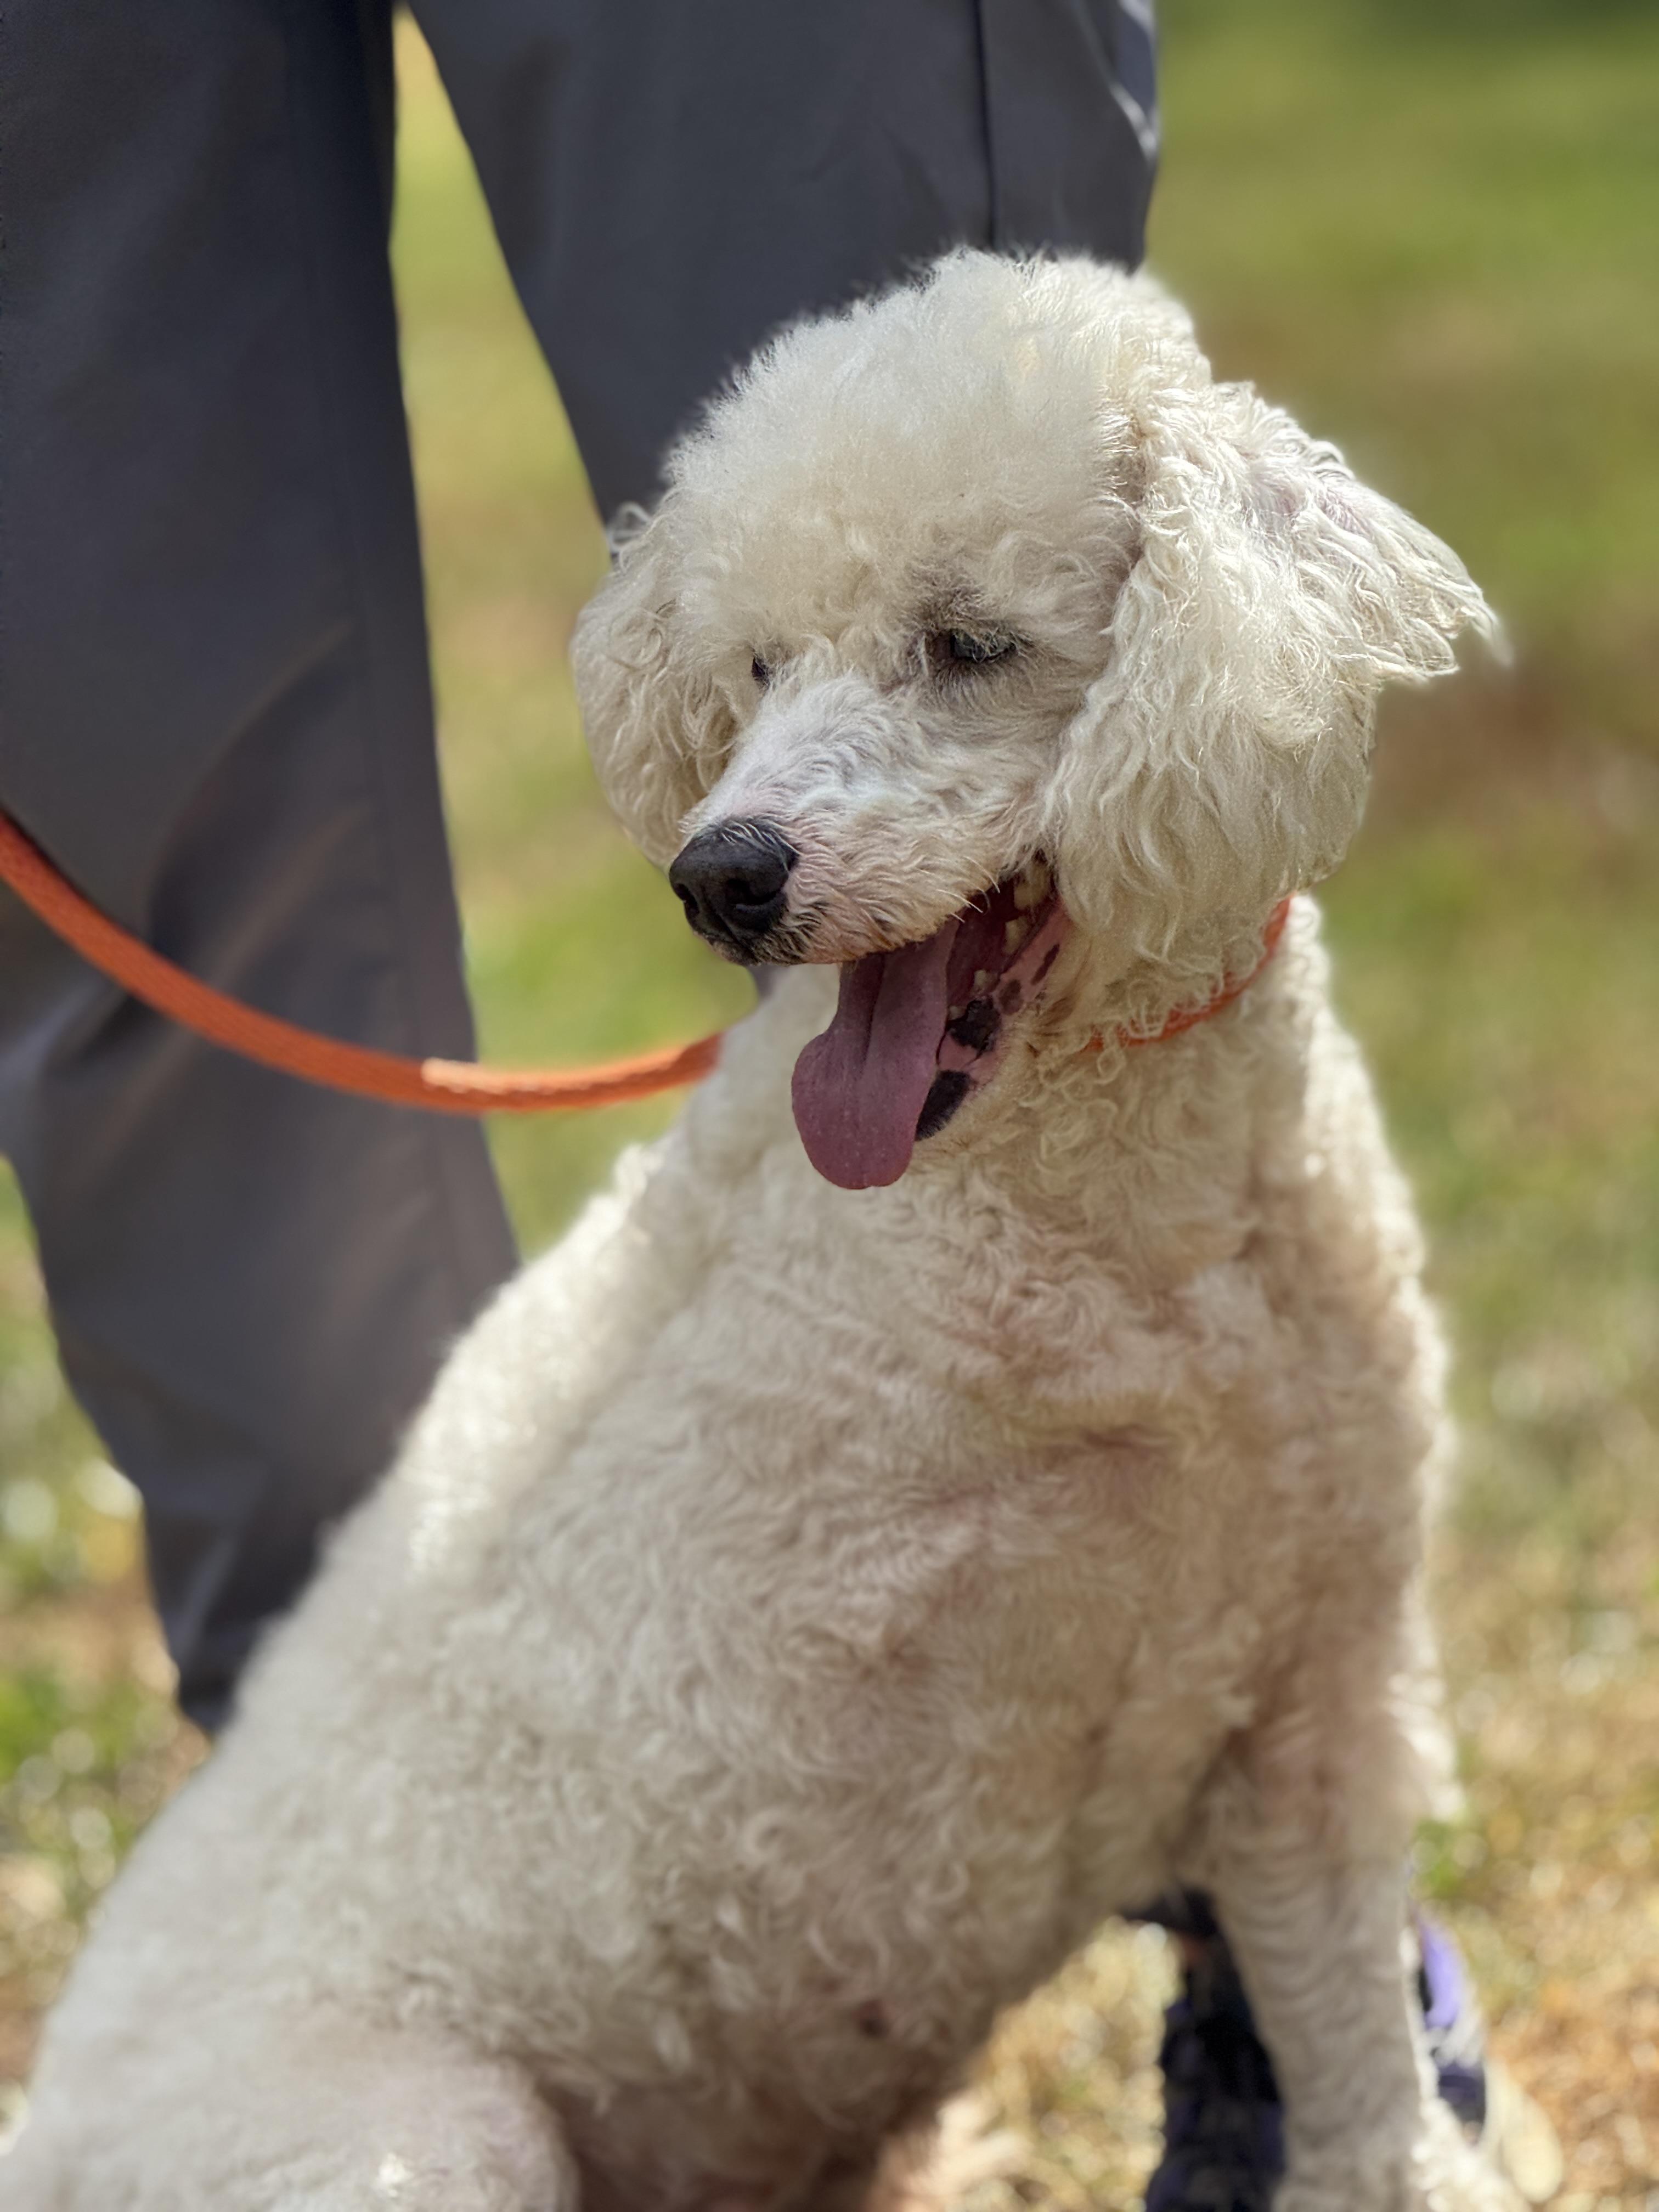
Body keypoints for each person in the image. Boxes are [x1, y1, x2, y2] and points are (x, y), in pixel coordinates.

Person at [0, 5, 1518, 2205]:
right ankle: (360, 1861)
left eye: (950, 656)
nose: (744, 826)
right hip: (395, 2095)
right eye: (773, 676)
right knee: (139, 739)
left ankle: (1308, 2024)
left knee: (884, 210)